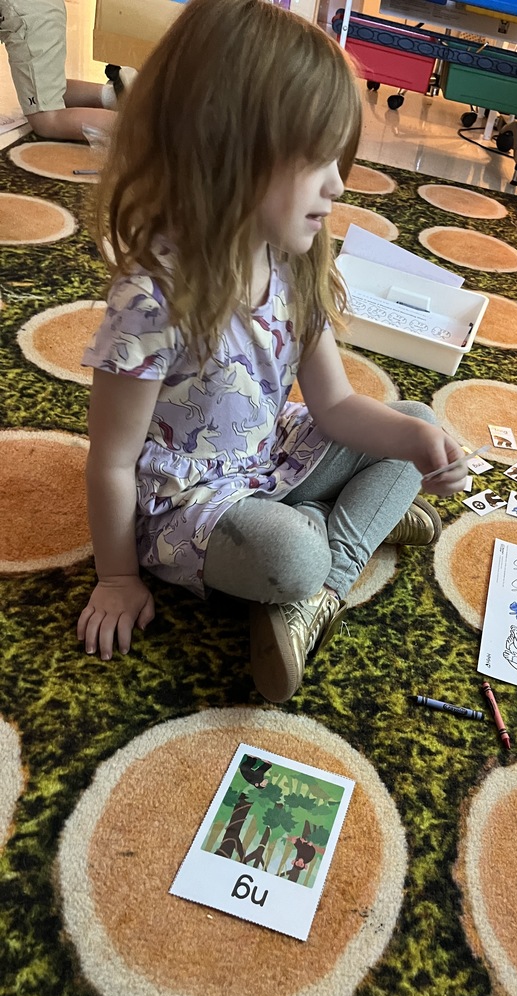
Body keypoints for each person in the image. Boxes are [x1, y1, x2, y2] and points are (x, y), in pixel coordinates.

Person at [76, 0, 468, 703]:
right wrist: (117, 577)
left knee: (415, 418)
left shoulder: (297, 263)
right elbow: (110, 458)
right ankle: (338, 543)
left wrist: (416, 439)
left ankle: (327, 577)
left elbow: (339, 407)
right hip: (187, 504)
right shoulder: (153, 297)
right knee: (294, 554)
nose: (338, 185)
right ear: (232, 150)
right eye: (317, 160)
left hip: (268, 458)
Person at [0, 0, 135, 140]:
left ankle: (137, 128)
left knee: (45, 119)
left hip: (27, 14)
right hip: (41, 9)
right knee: (48, 90)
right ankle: (117, 97)